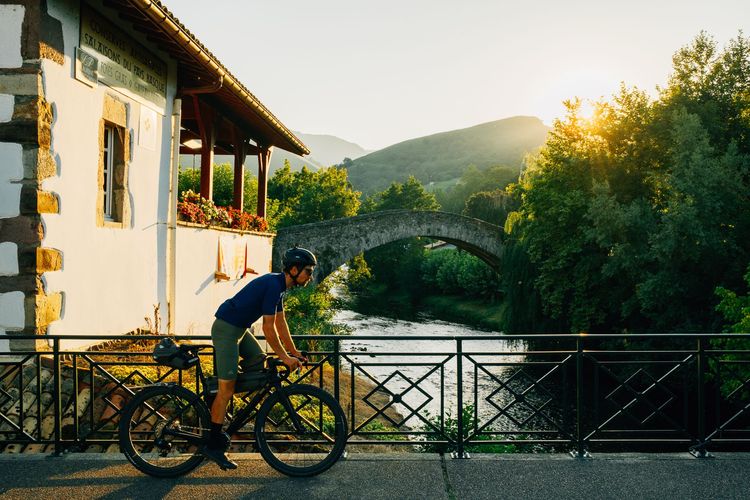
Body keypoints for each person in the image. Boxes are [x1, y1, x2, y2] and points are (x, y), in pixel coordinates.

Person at [201, 247, 317, 469]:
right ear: (294, 269)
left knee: (258, 359)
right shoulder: (274, 285)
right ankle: (214, 444)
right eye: (308, 271)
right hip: (227, 330)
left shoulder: (280, 287)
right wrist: (284, 357)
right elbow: (268, 327)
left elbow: (281, 324)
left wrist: (294, 353)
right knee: (227, 389)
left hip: (239, 330)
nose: (309, 277)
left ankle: (219, 392)